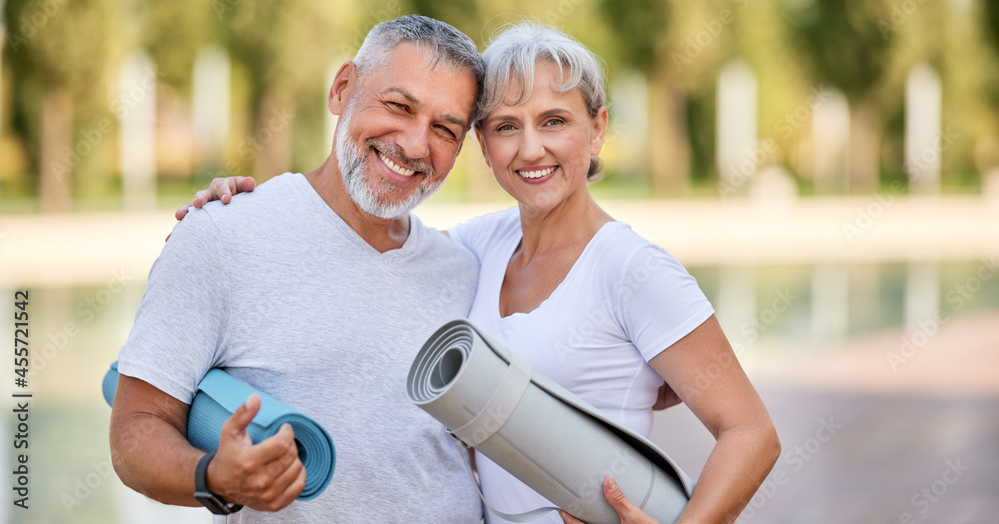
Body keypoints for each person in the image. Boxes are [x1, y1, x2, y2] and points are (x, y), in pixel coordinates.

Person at [187, 23, 780, 524]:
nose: (530, 150)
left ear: (596, 129)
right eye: (505, 126)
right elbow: (363, 250)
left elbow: (751, 432)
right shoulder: (476, 247)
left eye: (554, 121)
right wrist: (253, 209)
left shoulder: (633, 269)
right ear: (482, 143)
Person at [109, 15, 488, 522]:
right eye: (398, 106)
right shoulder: (223, 235)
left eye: (445, 129)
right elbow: (135, 428)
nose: (417, 145)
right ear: (342, 89)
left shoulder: (464, 269)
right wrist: (214, 478)